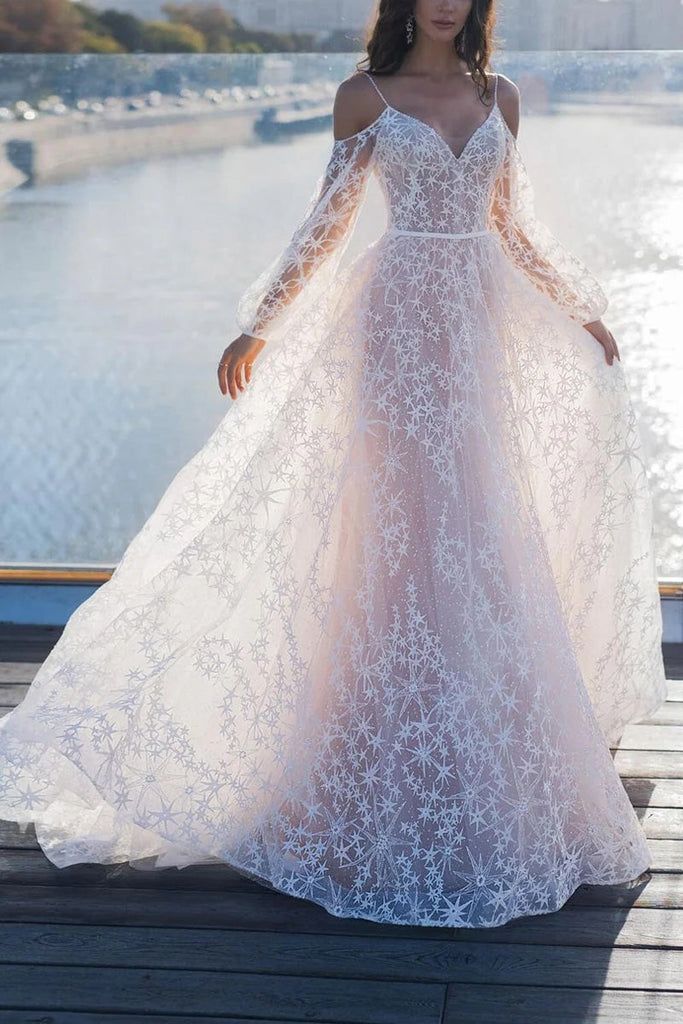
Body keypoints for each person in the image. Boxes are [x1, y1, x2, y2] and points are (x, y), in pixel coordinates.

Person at [0, 0, 668, 929]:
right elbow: (328, 220)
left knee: (479, 523)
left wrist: (580, 308)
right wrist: (260, 322)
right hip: (392, 326)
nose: (444, 0)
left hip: (477, 329)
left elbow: (511, 225)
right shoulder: (362, 96)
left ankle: (475, 754)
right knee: (393, 530)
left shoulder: (499, 96)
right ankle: (362, 745)